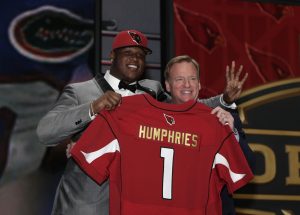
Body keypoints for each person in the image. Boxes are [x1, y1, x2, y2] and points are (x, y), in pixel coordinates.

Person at [36, 30, 246, 215]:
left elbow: (185, 108)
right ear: (111, 55)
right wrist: (92, 108)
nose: (135, 59)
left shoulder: (152, 90)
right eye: (128, 52)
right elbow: (46, 132)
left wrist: (224, 99)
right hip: (88, 205)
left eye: (140, 55)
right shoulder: (81, 91)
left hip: (137, 203)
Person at [164, 55, 254, 215]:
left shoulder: (220, 116)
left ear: (199, 84)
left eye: (192, 78)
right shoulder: (155, 119)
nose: (187, 84)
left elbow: (249, 166)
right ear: (168, 86)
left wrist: (231, 132)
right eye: (179, 79)